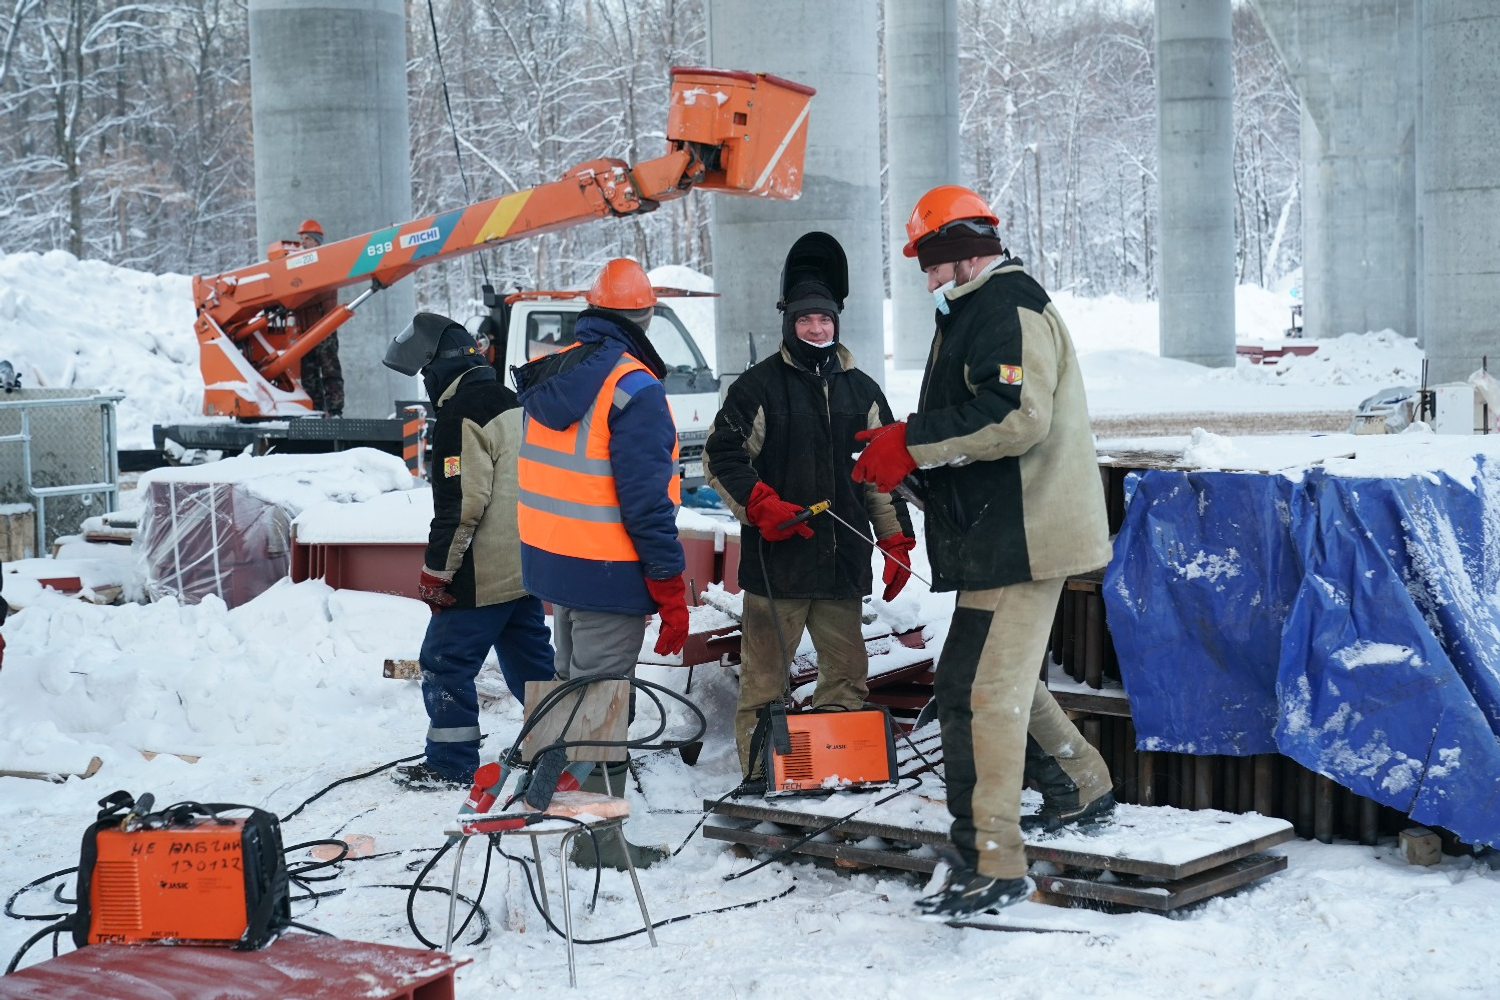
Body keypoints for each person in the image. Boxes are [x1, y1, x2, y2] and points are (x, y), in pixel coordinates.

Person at [852, 184, 1115, 920]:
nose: (926, 280)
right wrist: (904, 445)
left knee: (980, 691)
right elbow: (968, 412)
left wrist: (914, 444)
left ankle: (991, 860)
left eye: (929, 264)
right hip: (1003, 528)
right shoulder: (977, 307)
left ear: (960, 253)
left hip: (1023, 531)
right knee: (996, 676)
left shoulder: (1005, 305)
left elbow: (1015, 415)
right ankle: (1080, 784)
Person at [703, 231, 914, 785]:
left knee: (846, 679)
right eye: (804, 320)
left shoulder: (862, 390)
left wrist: (894, 540)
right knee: (766, 682)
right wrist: (760, 503)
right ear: (788, 324)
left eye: (824, 320)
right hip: (778, 567)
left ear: (836, 323)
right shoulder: (757, 387)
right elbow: (722, 456)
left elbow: (882, 477)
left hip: (843, 565)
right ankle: (758, 778)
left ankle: (831, 774)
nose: (815, 329)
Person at [512, 258, 689, 866]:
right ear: (645, 316)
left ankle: (560, 820)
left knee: (569, 694)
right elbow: (646, 505)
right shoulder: (634, 387)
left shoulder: (557, 373)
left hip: (556, 565)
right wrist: (669, 586)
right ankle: (597, 841)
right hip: (610, 572)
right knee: (602, 706)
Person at [381, 312, 556, 790]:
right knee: (532, 665)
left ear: (437, 366)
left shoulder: (460, 415)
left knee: (445, 662)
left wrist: (437, 572)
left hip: (481, 572)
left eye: (424, 372)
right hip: (525, 564)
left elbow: (462, 504)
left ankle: (449, 763)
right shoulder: (512, 400)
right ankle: (564, 745)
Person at [294, 219, 345, 417]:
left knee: (329, 370)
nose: (303, 243)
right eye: (302, 239)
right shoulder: (298, 267)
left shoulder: (325, 263)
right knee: (309, 374)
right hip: (305, 331)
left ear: (317, 241)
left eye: (307, 238)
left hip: (324, 328)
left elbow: (322, 293)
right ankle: (315, 411)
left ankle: (334, 410)